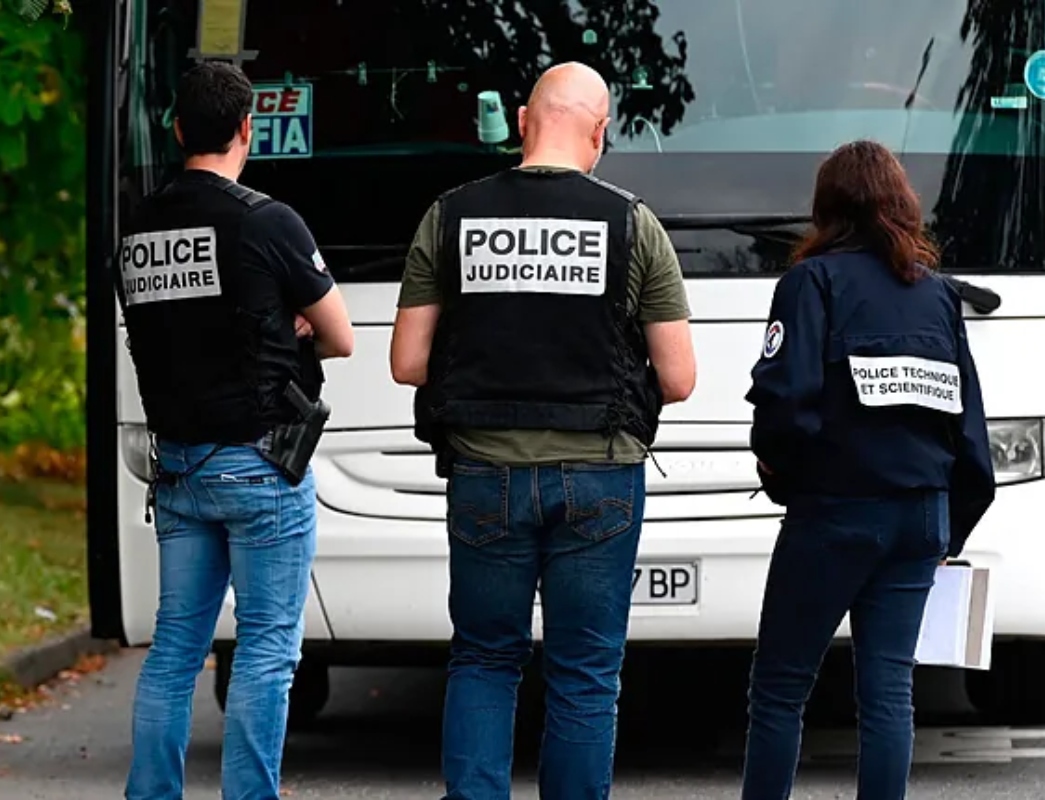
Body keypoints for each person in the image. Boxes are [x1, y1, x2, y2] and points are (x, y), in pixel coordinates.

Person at [390, 61, 697, 799]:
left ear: (523, 123)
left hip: (483, 474)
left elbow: (407, 363)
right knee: (585, 672)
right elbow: (680, 378)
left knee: (485, 660)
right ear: (600, 133)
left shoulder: (451, 215)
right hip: (601, 474)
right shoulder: (633, 223)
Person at [115, 61, 354, 800]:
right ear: (248, 128)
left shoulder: (137, 228)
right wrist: (294, 325)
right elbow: (341, 337)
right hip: (260, 469)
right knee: (266, 651)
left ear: (179, 129)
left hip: (179, 470)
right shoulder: (266, 219)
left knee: (175, 649)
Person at [739, 139, 996, 800]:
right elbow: (969, 433)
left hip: (836, 511)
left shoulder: (810, 283)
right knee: (888, 694)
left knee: (780, 690)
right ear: (902, 208)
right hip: (922, 515)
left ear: (826, 211)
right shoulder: (937, 297)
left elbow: (785, 407)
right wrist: (949, 533)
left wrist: (786, 481)